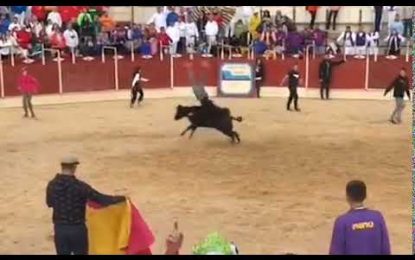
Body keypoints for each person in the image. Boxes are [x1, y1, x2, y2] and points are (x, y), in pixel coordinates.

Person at [46, 156, 126, 255]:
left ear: (62, 167)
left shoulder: (52, 185)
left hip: (60, 230)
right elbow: (101, 199)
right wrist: (121, 199)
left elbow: (49, 203)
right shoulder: (80, 186)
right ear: (74, 167)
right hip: (77, 230)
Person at [329, 180, 391, 255]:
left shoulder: (342, 222)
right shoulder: (377, 217)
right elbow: (385, 249)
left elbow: (336, 251)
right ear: (365, 196)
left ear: (347, 197)